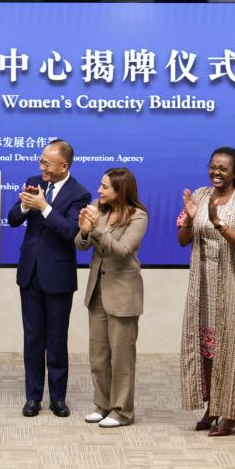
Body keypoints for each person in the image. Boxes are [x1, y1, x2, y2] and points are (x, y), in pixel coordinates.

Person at [176, 147, 235, 437]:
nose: (216, 172)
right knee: (207, 349)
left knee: (233, 347)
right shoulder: (200, 195)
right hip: (204, 284)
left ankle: (232, 413)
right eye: (212, 166)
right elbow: (182, 240)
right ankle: (213, 406)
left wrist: (219, 224)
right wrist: (191, 218)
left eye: (223, 168)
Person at [7, 139, 91, 418]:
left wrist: (44, 207)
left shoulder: (80, 193)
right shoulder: (34, 182)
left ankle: (58, 398)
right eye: (41, 161)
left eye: (47, 163)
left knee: (56, 340)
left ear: (63, 166)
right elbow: (13, 219)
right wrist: (25, 206)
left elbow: (71, 232)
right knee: (32, 339)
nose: (41, 167)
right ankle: (33, 397)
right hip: (30, 273)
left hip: (58, 276)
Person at [75, 168, 148, 428]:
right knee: (98, 355)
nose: (99, 190)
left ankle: (122, 411)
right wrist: (84, 231)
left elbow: (122, 251)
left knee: (121, 357)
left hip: (123, 293)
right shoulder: (98, 208)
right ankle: (102, 405)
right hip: (97, 291)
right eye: (100, 185)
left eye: (105, 187)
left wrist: (96, 230)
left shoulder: (138, 216)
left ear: (121, 190)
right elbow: (81, 245)